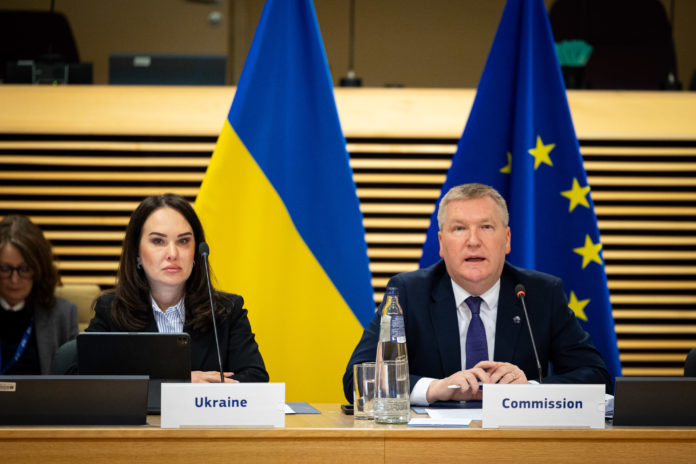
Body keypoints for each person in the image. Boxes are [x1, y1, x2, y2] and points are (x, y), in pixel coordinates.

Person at [343, 183, 611, 405]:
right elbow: (357, 379)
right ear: (441, 243)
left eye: (486, 227)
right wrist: (435, 388)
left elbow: (597, 378)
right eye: (459, 228)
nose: (473, 241)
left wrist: (529, 388)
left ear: (506, 239)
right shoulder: (408, 294)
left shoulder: (540, 294)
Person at [86, 194, 268, 383]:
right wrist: (180, 382)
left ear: (196, 252)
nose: (172, 254)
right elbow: (77, 376)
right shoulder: (112, 311)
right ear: (137, 254)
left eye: (183, 241)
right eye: (158, 241)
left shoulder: (226, 311)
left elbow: (255, 379)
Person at [0, 215, 78, 375]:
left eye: (25, 269)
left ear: (39, 268)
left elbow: (72, 386)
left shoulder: (63, 315)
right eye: (5, 269)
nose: (14, 280)